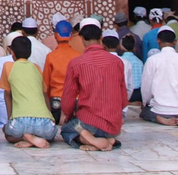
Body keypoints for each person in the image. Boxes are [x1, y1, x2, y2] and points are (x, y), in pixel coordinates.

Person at [60, 18, 129, 151]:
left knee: (67, 130)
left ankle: (89, 139)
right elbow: (123, 98)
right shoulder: (117, 62)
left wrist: (68, 116)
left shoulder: (76, 63)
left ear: (82, 39)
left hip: (88, 123)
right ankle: (110, 140)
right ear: (101, 38)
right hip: (113, 127)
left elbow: (68, 99)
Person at [0, 36, 56, 148]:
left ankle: (26, 137)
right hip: (45, 124)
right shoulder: (37, 68)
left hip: (21, 122)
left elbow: (7, 95)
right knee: (51, 136)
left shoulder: (8, 66)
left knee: (7, 133)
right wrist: (50, 118)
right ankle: (35, 138)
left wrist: (11, 119)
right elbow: (44, 95)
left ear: (12, 52)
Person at [140, 26, 178, 126]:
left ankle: (161, 119)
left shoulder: (152, 60)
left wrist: (145, 103)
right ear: (175, 42)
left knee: (144, 112)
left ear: (158, 41)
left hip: (160, 110)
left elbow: (146, 88)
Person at [42, 20, 80, 124]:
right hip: (75, 102)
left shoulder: (51, 57)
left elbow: (46, 84)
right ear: (71, 35)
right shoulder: (78, 55)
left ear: (55, 36)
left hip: (57, 103)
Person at [0, 31, 20, 129]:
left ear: (8, 48)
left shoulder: (0, 61)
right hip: (20, 109)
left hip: (1, 108)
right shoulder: (30, 64)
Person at [102, 29, 133, 103]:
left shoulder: (99, 61)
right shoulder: (126, 63)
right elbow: (130, 87)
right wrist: (124, 100)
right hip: (121, 103)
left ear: (103, 46)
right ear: (118, 46)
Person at [120, 34, 144, 104]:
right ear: (134, 48)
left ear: (121, 48)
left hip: (124, 92)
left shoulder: (120, 61)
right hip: (138, 94)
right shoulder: (139, 62)